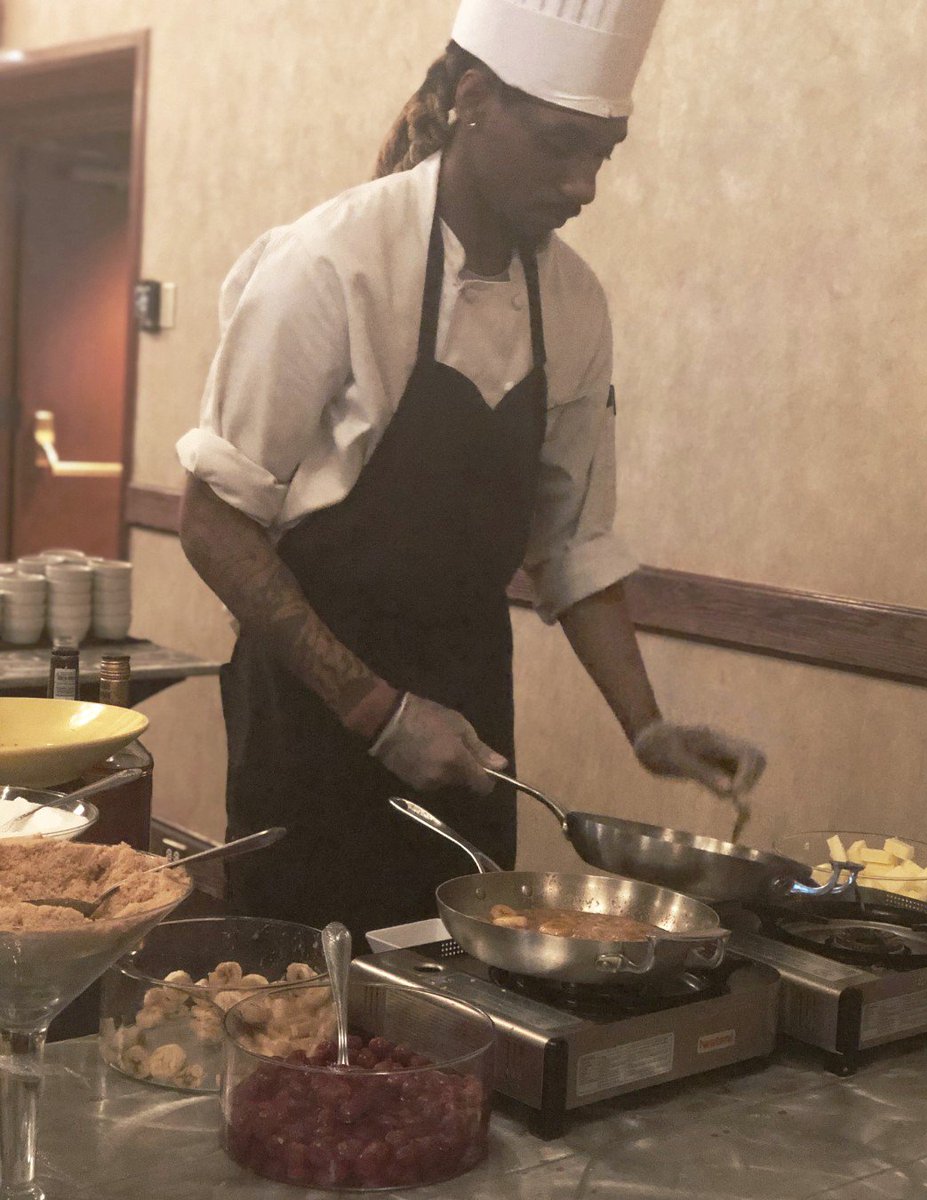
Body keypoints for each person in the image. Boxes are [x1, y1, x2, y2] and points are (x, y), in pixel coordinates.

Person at [177, 0, 766, 944]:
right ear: (475, 99)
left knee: (459, 976)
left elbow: (571, 545)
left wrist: (646, 727)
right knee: (299, 997)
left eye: (604, 152)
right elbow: (213, 522)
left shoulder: (574, 303)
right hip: (312, 710)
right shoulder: (332, 266)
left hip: (470, 708)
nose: (586, 184)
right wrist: (376, 711)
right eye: (563, 146)